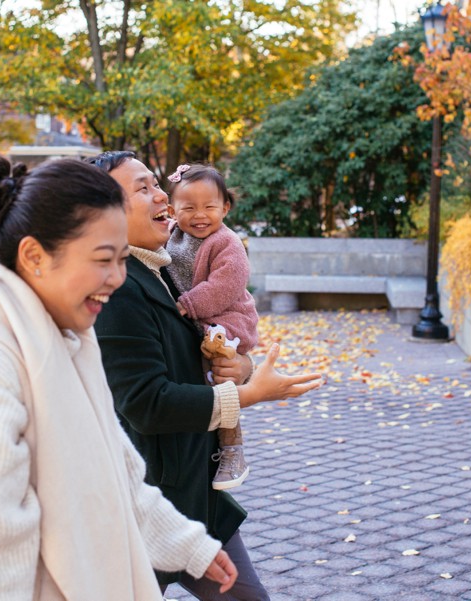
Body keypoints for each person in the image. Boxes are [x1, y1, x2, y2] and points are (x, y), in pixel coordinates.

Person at [0, 156, 238, 600]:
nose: (117, 278)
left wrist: (189, 545)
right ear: (34, 256)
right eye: (103, 259)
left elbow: (115, 474)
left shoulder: (66, 338)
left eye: (123, 259)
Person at [89, 151, 323, 601]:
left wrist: (243, 367)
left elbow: (199, 347)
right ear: (102, 211)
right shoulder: (115, 289)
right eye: (143, 188)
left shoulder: (158, 269)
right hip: (150, 505)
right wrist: (250, 396)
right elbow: (148, 403)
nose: (162, 196)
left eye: (156, 183)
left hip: (193, 493)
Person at [164, 163, 259, 491]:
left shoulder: (227, 242)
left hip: (229, 317)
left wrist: (189, 304)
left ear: (226, 208)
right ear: (171, 210)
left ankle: (232, 447)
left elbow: (226, 285)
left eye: (209, 207)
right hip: (199, 316)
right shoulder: (171, 236)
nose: (199, 215)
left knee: (218, 372)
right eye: (188, 207)